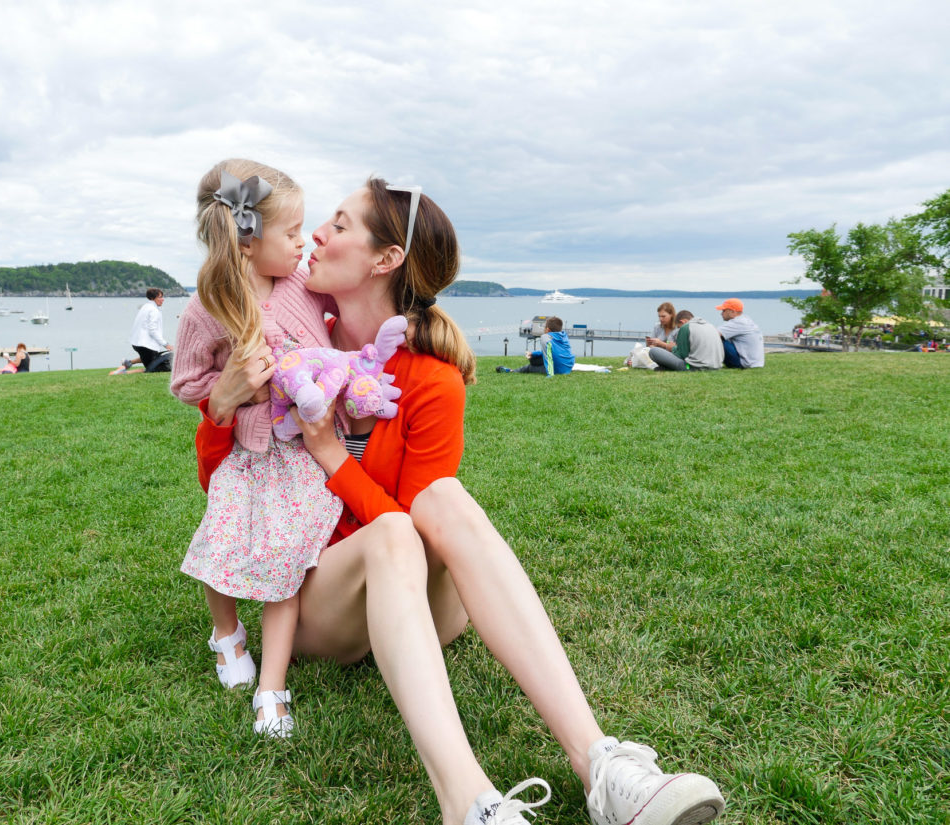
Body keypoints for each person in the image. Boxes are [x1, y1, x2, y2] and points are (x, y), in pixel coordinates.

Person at [194, 178, 725, 825]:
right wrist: (221, 404)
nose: (317, 236)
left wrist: (333, 455)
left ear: (384, 260)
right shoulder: (295, 346)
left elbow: (419, 514)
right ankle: (470, 804)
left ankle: (603, 765)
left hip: (422, 602)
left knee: (441, 497)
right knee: (393, 531)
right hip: (320, 605)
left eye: (338, 223)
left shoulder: (431, 376)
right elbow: (224, 488)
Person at [169, 159, 342, 738]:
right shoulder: (205, 309)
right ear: (247, 239)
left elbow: (342, 343)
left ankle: (272, 685)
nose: (303, 243)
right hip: (245, 459)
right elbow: (188, 384)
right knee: (223, 543)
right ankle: (226, 633)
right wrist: (230, 395)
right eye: (292, 233)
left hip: (300, 460)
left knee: (283, 561)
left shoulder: (302, 286)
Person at [495, 316, 574, 374]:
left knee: (530, 367)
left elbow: (548, 358)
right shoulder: (564, 336)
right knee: (536, 357)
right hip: (567, 367)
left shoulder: (545, 337)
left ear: (548, 330)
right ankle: (527, 362)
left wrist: (550, 375)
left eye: (544, 327)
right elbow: (550, 351)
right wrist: (533, 353)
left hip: (557, 370)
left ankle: (512, 371)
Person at [649, 311, 723, 371]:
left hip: (691, 367)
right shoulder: (710, 326)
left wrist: (671, 347)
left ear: (683, 322)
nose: (678, 330)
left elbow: (682, 355)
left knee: (654, 351)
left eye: (678, 327)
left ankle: (668, 367)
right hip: (716, 367)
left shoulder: (686, 327)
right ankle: (667, 368)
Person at [122, 288, 174, 371]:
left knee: (154, 358)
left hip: (138, 344)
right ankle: (123, 373)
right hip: (145, 346)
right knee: (155, 369)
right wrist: (166, 344)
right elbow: (152, 331)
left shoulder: (146, 307)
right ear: (153, 298)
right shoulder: (154, 310)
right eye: (160, 297)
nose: (163, 299)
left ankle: (129, 362)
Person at [715, 298, 764, 368]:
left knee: (716, 339)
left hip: (745, 363)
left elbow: (713, 334)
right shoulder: (746, 319)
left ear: (732, 312)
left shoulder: (737, 322)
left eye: (724, 311)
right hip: (755, 363)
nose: (721, 313)